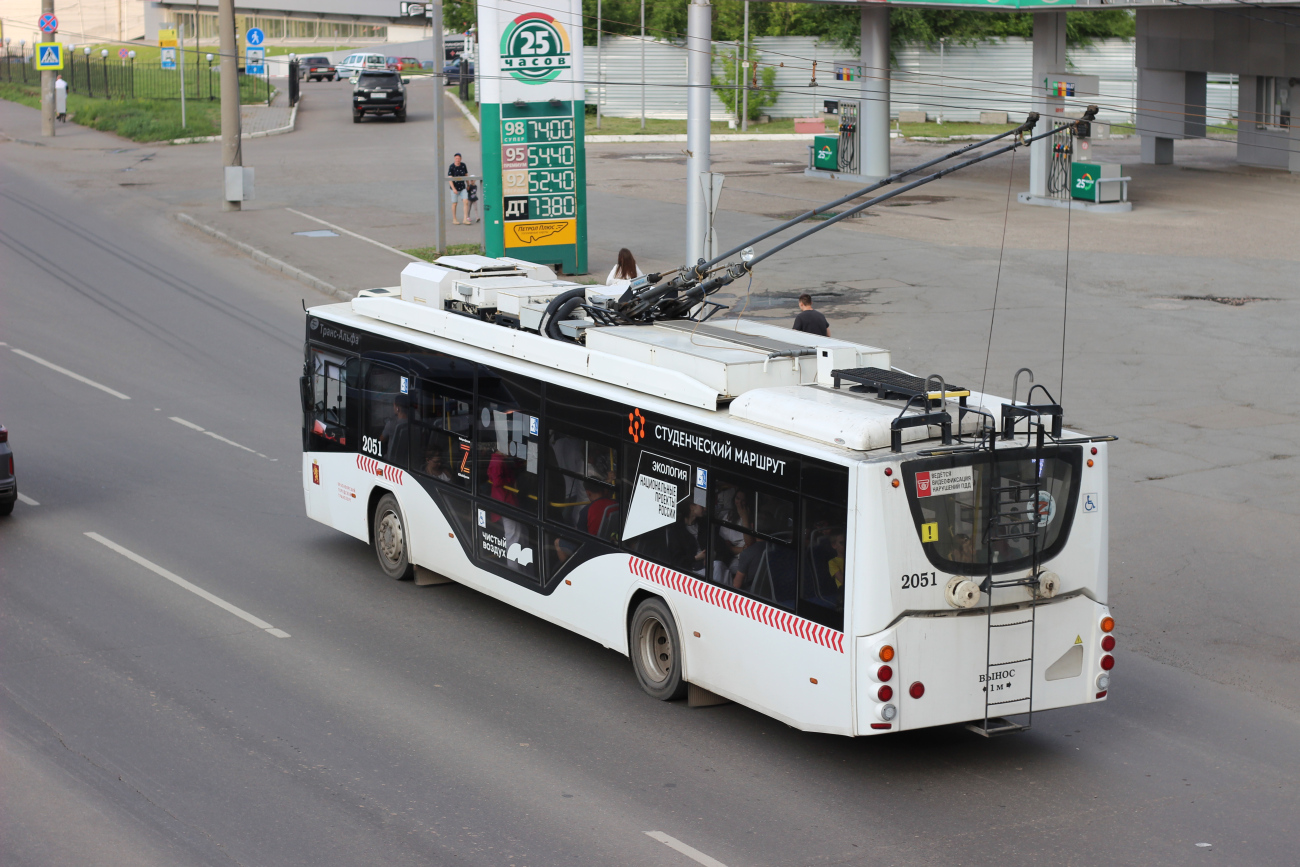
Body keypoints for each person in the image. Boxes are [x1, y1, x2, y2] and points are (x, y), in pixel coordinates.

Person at [448, 153, 470, 225]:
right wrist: (453, 189)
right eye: (456, 158)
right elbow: (450, 179)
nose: (457, 160)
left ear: (461, 159)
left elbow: (466, 175)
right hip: (454, 187)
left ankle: (465, 219)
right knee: (454, 203)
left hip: (462, 187)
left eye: (458, 158)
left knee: (466, 201)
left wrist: (468, 184)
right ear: (454, 159)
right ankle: (454, 219)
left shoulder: (463, 165)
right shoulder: (451, 167)